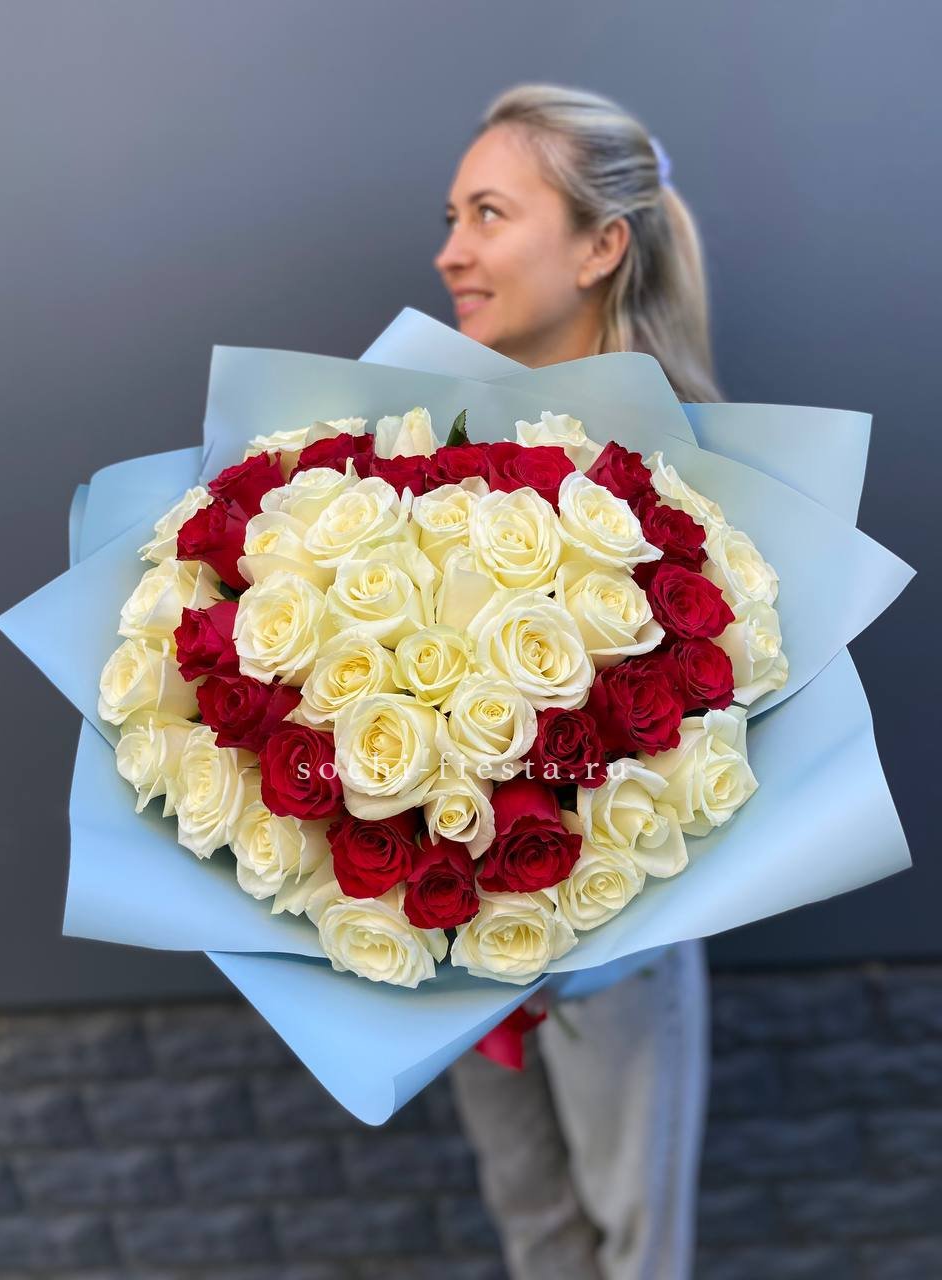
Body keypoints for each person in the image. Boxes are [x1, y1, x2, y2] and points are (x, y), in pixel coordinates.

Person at [433, 83, 719, 1280]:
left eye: (489, 214)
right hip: (453, 920)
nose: (451, 251)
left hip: (620, 937)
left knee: (634, 1245)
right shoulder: (426, 446)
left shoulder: (692, 478)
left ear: (601, 247)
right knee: (535, 1228)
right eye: (451, 216)